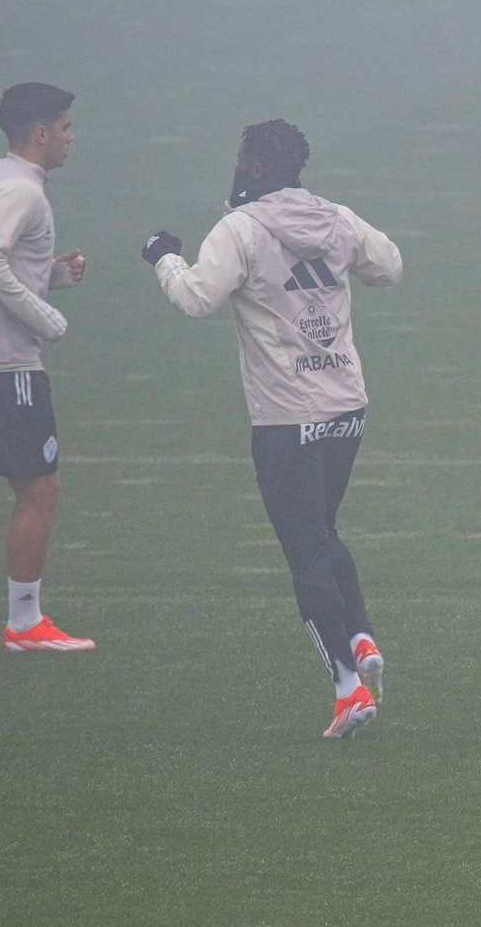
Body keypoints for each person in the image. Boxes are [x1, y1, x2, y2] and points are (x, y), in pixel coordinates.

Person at [142, 119, 403, 737]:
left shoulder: (242, 228)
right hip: (346, 408)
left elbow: (198, 299)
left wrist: (164, 257)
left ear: (254, 168)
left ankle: (347, 688)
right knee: (321, 531)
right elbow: (389, 267)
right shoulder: (336, 219)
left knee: (304, 550)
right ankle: (361, 636)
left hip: (286, 419)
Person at [0, 83, 92, 651]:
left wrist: (53, 276)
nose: (71, 136)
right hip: (4, 367)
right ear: (40, 133)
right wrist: (44, 314)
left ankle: (25, 623)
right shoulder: (23, 192)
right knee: (40, 489)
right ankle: (24, 624)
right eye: (64, 127)